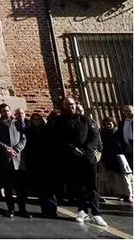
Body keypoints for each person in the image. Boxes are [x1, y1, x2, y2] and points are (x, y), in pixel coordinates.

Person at [50, 96, 106, 227]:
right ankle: (82, 210)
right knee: (77, 186)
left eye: (72, 104)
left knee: (92, 186)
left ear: (75, 104)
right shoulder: (59, 122)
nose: (70, 107)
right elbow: (58, 138)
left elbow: (94, 135)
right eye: (67, 105)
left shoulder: (86, 119)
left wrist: (86, 149)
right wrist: (72, 148)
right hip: (71, 158)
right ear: (63, 106)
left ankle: (96, 213)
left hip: (88, 158)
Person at [0, 103, 27, 218]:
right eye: (3, 111)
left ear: (10, 111)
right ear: (0, 112)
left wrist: (16, 149)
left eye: (7, 110)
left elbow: (24, 138)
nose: (6, 113)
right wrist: (6, 148)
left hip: (18, 159)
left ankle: (22, 210)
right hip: (5, 159)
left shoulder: (17, 122)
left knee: (21, 187)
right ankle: (10, 209)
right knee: (8, 187)